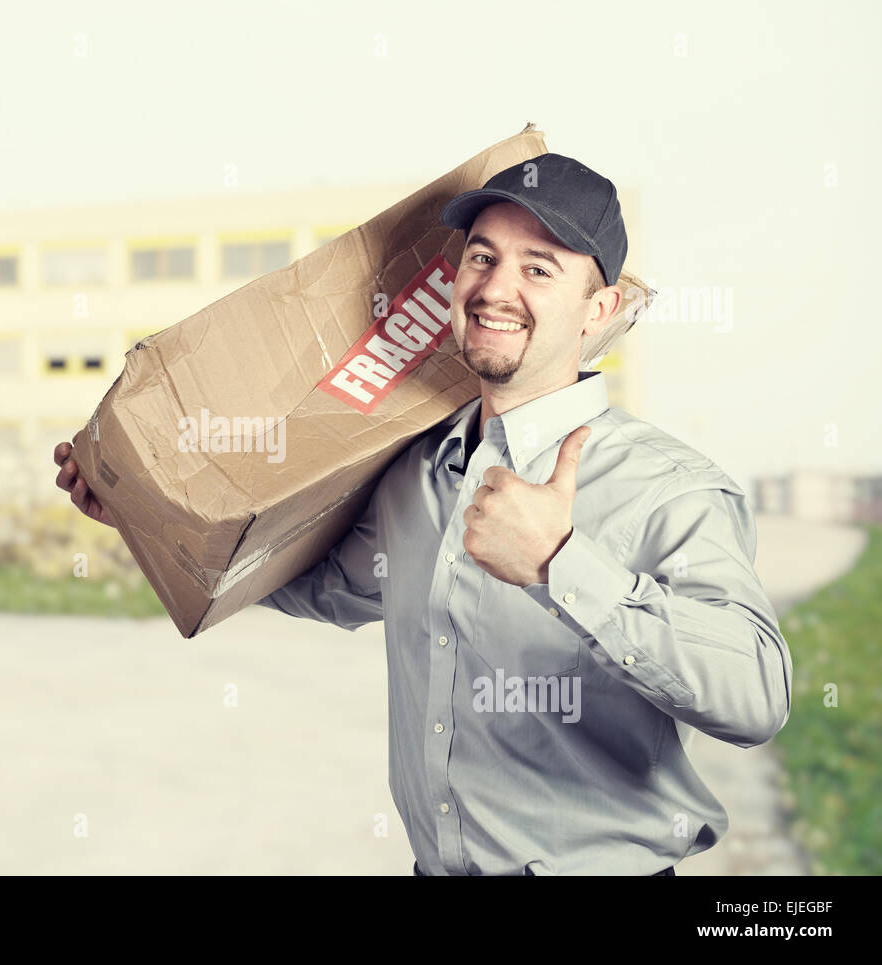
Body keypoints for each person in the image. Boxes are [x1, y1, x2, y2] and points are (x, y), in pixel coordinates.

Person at [53, 153, 792, 876]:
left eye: (539, 268)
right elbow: (320, 583)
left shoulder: (667, 487)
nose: (496, 288)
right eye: (481, 257)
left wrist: (560, 563)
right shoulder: (416, 471)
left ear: (597, 309)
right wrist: (147, 512)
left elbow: (756, 696)